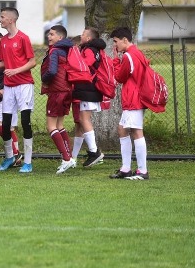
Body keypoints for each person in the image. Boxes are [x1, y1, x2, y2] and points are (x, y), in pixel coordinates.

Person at [0, 7, 37, 173]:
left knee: (25, 122)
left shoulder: (23, 38)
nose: (0, 19)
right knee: (5, 124)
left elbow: (32, 62)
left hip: (24, 85)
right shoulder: (4, 41)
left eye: (2, 17)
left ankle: (28, 162)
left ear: (11, 20)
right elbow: (4, 64)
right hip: (9, 87)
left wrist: (16, 71)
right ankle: (9, 157)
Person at [109, 26, 150, 180]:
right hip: (136, 96)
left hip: (133, 98)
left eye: (116, 41)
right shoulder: (138, 53)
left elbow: (120, 77)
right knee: (122, 129)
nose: (115, 45)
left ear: (125, 40)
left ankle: (142, 171)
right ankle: (126, 168)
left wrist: (115, 60)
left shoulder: (128, 56)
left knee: (136, 131)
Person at [41, 25, 76, 174]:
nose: (49, 36)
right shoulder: (67, 50)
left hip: (57, 91)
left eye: (52, 34)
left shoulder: (55, 51)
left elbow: (52, 71)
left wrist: (44, 79)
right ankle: (70, 158)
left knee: (51, 126)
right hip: (67, 90)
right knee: (60, 124)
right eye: (49, 34)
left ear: (60, 38)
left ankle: (66, 159)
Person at [71, 28, 106, 166]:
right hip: (88, 88)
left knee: (83, 119)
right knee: (82, 120)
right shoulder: (93, 49)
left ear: (89, 38)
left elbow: (85, 64)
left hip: (88, 88)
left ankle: (94, 152)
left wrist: (74, 58)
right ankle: (91, 153)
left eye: (84, 34)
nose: (81, 35)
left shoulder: (89, 50)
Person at [0, 32, 22, 166]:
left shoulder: (9, 55)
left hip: (9, 95)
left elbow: (13, 73)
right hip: (1, 96)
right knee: (10, 127)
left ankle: (15, 153)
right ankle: (17, 158)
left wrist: (4, 88)